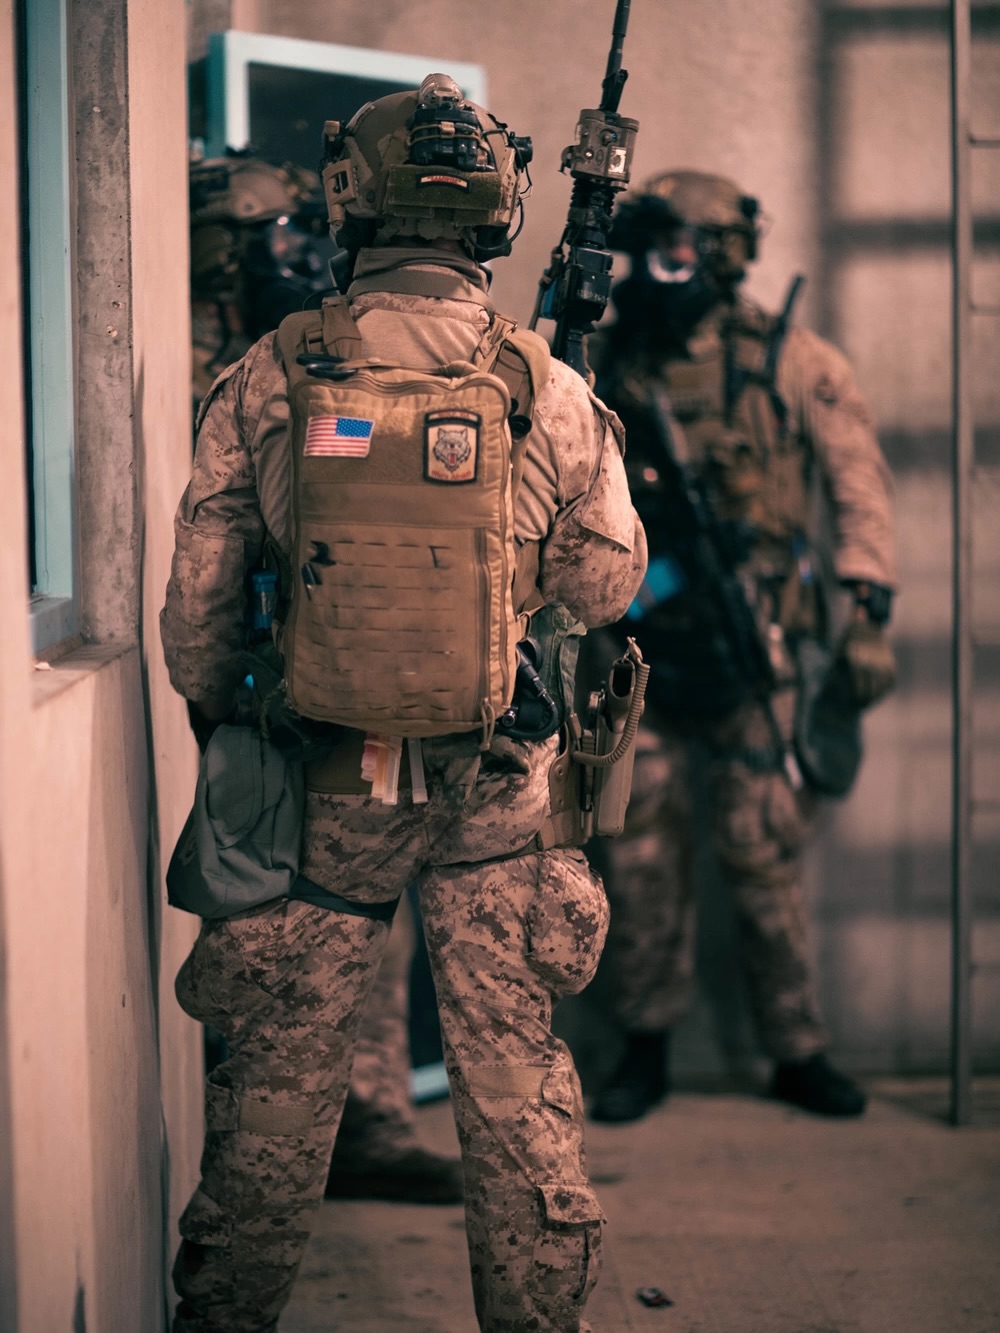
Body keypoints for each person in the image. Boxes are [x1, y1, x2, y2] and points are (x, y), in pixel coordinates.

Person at [162, 74, 646, 1333]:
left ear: (352, 201)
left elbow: (199, 610)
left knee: (276, 1093)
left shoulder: (270, 370)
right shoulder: (545, 382)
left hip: (324, 782)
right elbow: (606, 584)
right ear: (494, 211)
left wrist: (229, 720)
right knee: (513, 1091)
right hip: (497, 788)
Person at [585, 169, 897, 1124]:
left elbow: (858, 483)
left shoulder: (790, 360)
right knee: (640, 860)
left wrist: (867, 610)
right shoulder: (604, 360)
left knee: (763, 855)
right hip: (636, 653)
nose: (666, 265)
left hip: (755, 647)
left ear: (725, 254)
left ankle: (796, 1048)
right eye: (654, 247)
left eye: (686, 247)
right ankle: (645, 1043)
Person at [188, 150, 464, 1205]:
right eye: (266, 234)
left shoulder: (317, 354)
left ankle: (367, 1122)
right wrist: (208, 688)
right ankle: (262, 1143)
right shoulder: (233, 365)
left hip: (328, 677)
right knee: (262, 921)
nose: (290, 253)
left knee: (347, 908)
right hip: (255, 682)